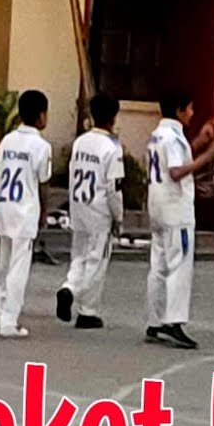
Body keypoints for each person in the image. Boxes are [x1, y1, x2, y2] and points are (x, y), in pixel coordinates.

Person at [144, 91, 214, 349]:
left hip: (157, 204)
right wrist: (207, 157)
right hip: (176, 209)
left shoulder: (158, 135)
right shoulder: (174, 138)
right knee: (179, 264)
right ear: (179, 110)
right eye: (189, 108)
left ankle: (154, 320)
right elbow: (177, 170)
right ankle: (173, 321)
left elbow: (176, 158)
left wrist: (199, 141)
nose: (191, 113)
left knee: (158, 264)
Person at [56, 93, 124, 329]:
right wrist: (118, 217)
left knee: (79, 256)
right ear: (114, 117)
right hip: (99, 209)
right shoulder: (112, 147)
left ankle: (68, 286)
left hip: (79, 206)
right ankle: (86, 309)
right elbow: (114, 188)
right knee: (97, 260)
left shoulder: (80, 142)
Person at [0, 91, 52, 338]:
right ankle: (9, 320)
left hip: (4, 206)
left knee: (4, 264)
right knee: (19, 267)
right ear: (40, 116)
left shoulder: (8, 140)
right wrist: (44, 212)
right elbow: (44, 183)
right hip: (25, 210)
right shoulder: (42, 146)